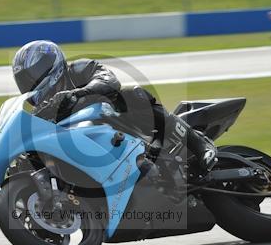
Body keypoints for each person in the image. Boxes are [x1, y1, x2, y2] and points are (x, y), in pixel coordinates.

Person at [11, 40, 217, 173]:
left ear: (50, 65)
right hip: (91, 154)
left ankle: (200, 144)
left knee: (132, 94)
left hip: (123, 125)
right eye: (24, 79)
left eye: (32, 74)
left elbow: (109, 81)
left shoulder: (80, 69)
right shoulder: (42, 110)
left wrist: (78, 94)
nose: (30, 83)